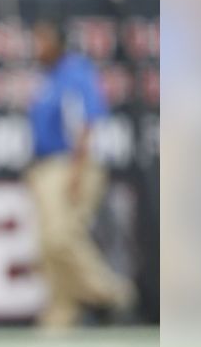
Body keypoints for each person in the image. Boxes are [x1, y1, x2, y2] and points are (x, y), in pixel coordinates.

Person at [26, 18, 135, 329]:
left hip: (70, 163)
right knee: (47, 246)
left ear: (59, 42)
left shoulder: (75, 72)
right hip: (46, 166)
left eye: (43, 40)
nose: (38, 47)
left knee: (61, 237)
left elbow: (87, 122)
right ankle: (61, 314)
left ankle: (113, 294)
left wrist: (78, 170)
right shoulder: (46, 77)